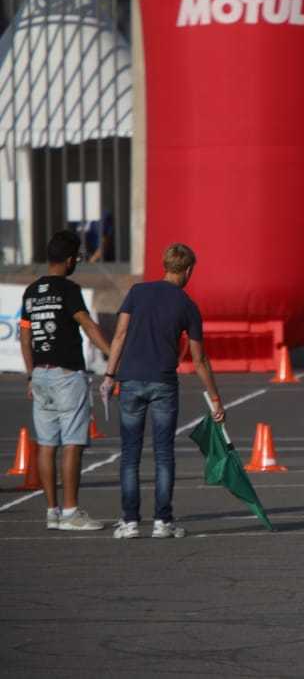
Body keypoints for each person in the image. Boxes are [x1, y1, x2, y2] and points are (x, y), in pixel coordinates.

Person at [100, 243, 226, 539]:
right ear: (189, 270)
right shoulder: (187, 305)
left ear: (165, 265)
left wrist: (109, 374)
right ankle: (162, 521)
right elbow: (199, 360)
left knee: (130, 453)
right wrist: (215, 399)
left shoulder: (137, 292)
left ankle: (129, 521)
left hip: (130, 380)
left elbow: (119, 335)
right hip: (163, 382)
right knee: (163, 453)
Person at [20, 230, 113, 532]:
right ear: (70, 260)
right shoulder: (69, 290)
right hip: (66, 374)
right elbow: (88, 326)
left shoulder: (32, 292)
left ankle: (52, 512)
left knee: (47, 445)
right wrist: (113, 354)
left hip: (40, 375)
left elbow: (25, 336)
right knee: (72, 443)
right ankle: (71, 512)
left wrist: (31, 374)